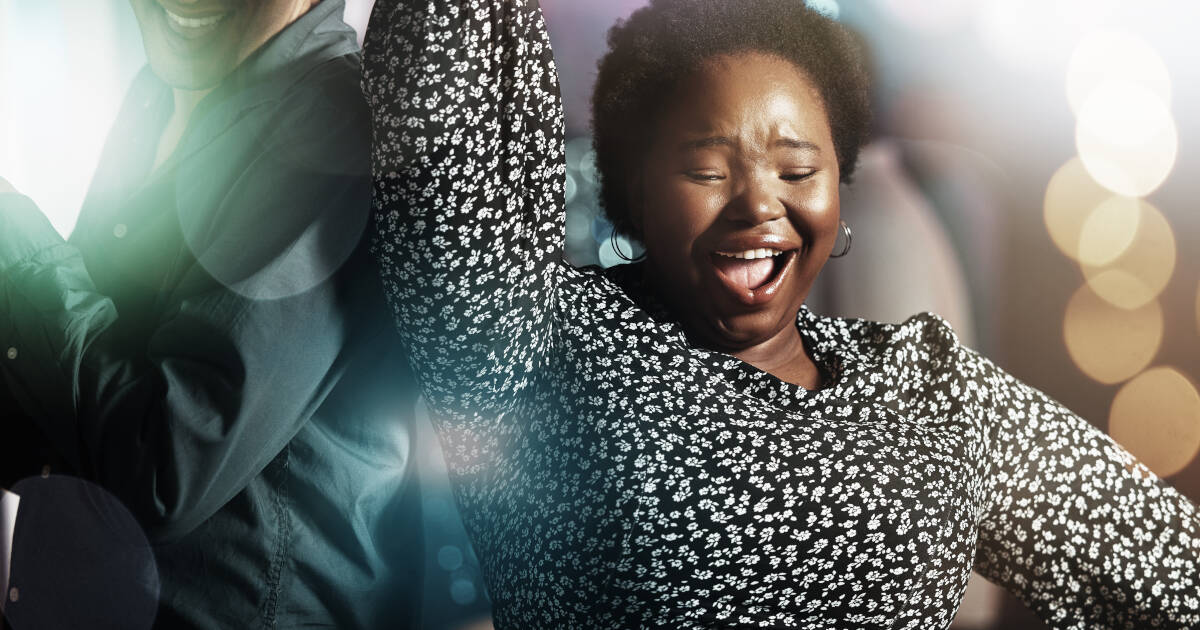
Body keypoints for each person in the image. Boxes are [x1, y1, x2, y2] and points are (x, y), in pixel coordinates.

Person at [364, 0, 1200, 628]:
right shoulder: (540, 342)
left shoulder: (931, 386)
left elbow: (1170, 572)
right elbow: (447, 126)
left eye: (798, 169)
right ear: (631, 189)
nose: (758, 206)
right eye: (706, 168)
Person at [0, 0, 422, 627]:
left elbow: (165, 468)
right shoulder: (161, 90)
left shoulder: (330, 126)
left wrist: (12, 235)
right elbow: (86, 387)